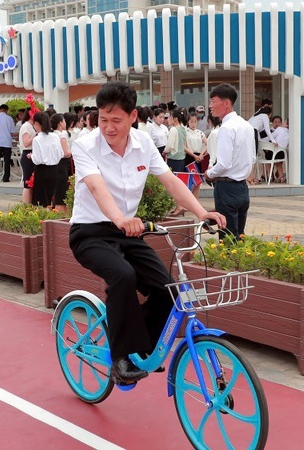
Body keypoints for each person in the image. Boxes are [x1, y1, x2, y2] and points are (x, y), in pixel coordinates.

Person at [69, 81, 225, 384]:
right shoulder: (85, 145)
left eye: (116, 120)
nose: (109, 127)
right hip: (90, 233)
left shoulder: (144, 144)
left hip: (128, 233)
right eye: (103, 119)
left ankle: (140, 347)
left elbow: (171, 181)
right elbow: (96, 187)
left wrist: (201, 212)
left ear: (132, 116)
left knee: (169, 290)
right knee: (122, 276)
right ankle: (121, 358)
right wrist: (119, 218)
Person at [204, 83, 256, 239]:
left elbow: (224, 164)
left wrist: (209, 173)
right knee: (239, 237)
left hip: (226, 188)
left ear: (226, 103)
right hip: (242, 188)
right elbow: (252, 158)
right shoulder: (246, 125)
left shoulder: (226, 128)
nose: (210, 106)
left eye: (213, 101)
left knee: (227, 238)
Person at [31, 112, 63, 208]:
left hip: (42, 170)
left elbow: (37, 159)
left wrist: (31, 156)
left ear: (36, 124)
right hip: (55, 169)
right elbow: (60, 154)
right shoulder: (55, 136)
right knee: (53, 196)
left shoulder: (37, 139)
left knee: (41, 200)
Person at [17, 109, 36, 204]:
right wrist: (36, 136)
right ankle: (26, 205)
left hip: (32, 154)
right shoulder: (26, 126)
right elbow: (26, 143)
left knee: (31, 183)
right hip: (27, 153)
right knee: (27, 183)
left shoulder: (31, 126)